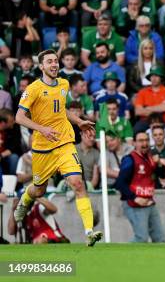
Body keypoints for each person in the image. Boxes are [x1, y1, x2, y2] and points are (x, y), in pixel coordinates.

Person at [13, 49, 102, 246]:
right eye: (49, 62)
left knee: (78, 183)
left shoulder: (64, 83)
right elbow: (19, 117)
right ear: (41, 66)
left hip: (64, 143)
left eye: (56, 61)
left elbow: (61, 110)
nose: (54, 64)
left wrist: (79, 121)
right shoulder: (33, 89)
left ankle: (89, 232)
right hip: (43, 149)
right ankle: (25, 199)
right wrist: (41, 129)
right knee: (39, 190)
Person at [114, 131, 165, 243]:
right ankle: (121, 258)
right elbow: (120, 183)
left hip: (149, 202)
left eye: (146, 140)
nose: (145, 143)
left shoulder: (151, 158)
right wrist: (135, 198)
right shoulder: (130, 159)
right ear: (134, 143)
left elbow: (163, 175)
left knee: (160, 238)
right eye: (141, 141)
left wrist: (159, 164)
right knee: (141, 237)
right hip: (134, 204)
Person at [133, 65, 165, 132]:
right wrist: (158, 109)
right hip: (145, 121)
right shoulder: (142, 92)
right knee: (137, 130)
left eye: (156, 76)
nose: (154, 78)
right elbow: (138, 111)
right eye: (152, 76)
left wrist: (146, 108)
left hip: (162, 121)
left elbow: (164, 108)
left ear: (161, 77)